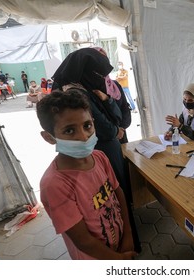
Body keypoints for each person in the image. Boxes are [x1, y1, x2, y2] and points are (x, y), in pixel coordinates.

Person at [52, 48, 141, 252]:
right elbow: (107, 129)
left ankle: (126, 241)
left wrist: (107, 101)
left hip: (107, 149)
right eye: (98, 73)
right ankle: (122, 247)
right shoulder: (77, 93)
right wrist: (114, 126)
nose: (102, 78)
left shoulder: (99, 87)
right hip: (103, 148)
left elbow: (120, 115)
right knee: (104, 200)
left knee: (115, 195)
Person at [36, 90, 136, 260]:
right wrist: (118, 260)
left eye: (87, 125)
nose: (83, 136)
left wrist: (128, 236)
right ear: (49, 137)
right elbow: (83, 241)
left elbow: (118, 194)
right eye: (69, 131)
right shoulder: (54, 184)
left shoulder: (99, 157)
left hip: (120, 244)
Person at [93, 47, 132, 144]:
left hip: (121, 135)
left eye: (105, 59)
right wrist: (114, 131)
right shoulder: (90, 87)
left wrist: (120, 129)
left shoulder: (115, 85)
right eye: (99, 59)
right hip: (104, 140)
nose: (103, 63)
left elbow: (125, 108)